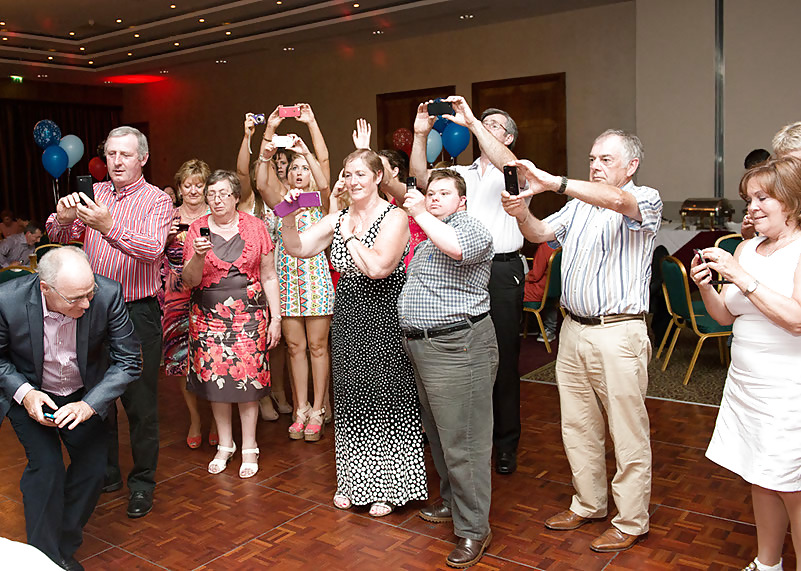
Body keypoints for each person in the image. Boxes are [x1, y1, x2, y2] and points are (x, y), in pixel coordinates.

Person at [502, 129, 661, 552]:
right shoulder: (579, 207)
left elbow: (615, 200)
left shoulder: (645, 198)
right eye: (593, 157)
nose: (595, 165)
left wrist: (552, 181)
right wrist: (521, 211)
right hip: (573, 330)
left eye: (606, 159)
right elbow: (538, 234)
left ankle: (631, 520)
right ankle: (589, 503)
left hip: (618, 331)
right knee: (577, 424)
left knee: (627, 432)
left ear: (631, 166)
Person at [280, 149, 427, 517]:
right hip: (348, 312)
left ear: (378, 177)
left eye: (361, 173)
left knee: (386, 397)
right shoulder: (338, 218)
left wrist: (347, 237)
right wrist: (286, 215)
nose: (353, 181)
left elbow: (378, 267)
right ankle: (353, 480)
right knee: (351, 396)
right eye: (348, 174)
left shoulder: (395, 216)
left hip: (384, 314)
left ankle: (391, 486)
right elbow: (297, 248)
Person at [45, 126, 172, 519]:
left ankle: (142, 484)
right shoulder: (95, 194)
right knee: (99, 400)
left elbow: (151, 250)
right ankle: (108, 474)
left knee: (140, 404)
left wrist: (108, 226)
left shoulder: (157, 201)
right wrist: (65, 219)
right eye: (111, 154)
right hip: (92, 310)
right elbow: (55, 232)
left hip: (137, 312)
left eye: (125, 155)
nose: (116, 161)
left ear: (143, 159)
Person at [690, 157, 801, 571]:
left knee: (791, 484)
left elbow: (796, 319)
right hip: (746, 385)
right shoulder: (746, 247)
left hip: (787, 390)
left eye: (762, 197)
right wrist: (706, 288)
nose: (751, 207)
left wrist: (741, 275)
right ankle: (767, 562)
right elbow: (725, 316)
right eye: (748, 198)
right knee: (759, 475)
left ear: (789, 201)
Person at [0, 246, 141, 571]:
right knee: (46, 470)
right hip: (32, 393)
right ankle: (43, 560)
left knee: (93, 471)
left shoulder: (107, 294)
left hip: (84, 393)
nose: (87, 304)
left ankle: (61, 548)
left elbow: (129, 361)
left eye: (89, 293)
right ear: (44, 288)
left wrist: (89, 405)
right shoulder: (8, 300)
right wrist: (26, 394)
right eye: (76, 298)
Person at [410, 96, 526, 475]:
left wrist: (473, 121)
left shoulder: (516, 170)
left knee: (504, 361)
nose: (482, 126)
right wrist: (419, 134)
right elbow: (420, 181)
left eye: (495, 125)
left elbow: (507, 162)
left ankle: (505, 444)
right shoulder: (461, 173)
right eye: (483, 122)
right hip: (455, 268)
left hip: (501, 272)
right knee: (462, 357)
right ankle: (457, 441)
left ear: (508, 137)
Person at [398, 169, 497, 568]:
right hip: (424, 347)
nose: (434, 197)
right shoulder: (427, 238)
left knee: (465, 442)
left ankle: (475, 530)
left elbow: (457, 249)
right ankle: (454, 503)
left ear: (463, 201)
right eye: (430, 192)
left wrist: (421, 212)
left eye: (444, 193)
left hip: (459, 346)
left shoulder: (471, 228)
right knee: (438, 435)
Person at [182, 170, 282, 479]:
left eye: (224, 193)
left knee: (248, 383)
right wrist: (198, 257)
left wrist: (275, 318)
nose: (217, 199)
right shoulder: (196, 229)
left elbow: (268, 275)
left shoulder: (255, 227)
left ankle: (249, 446)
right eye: (212, 194)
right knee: (216, 382)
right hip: (208, 316)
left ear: (236, 197)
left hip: (249, 315)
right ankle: (225, 445)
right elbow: (189, 281)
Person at [256, 129, 334, 442]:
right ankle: (300, 408)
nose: (299, 173)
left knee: (317, 347)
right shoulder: (279, 205)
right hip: (285, 282)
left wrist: (306, 152)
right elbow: (261, 183)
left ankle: (319, 409)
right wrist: (267, 142)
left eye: (304, 168)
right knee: (295, 347)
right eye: (294, 168)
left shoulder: (321, 203)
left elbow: (325, 182)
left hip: (315, 280)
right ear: (286, 174)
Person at [235, 112, 292, 421]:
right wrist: (250, 135)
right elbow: (243, 170)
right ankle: (261, 395)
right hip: (252, 276)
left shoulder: (279, 198)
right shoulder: (247, 199)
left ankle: (279, 390)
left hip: (278, 272)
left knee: (278, 341)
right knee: (258, 340)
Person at [162, 159, 218, 449]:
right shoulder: (167, 217)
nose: (194, 190)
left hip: (210, 291)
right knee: (182, 360)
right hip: (176, 294)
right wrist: (165, 237)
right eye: (188, 185)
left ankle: (217, 418)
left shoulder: (216, 216)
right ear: (180, 188)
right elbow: (151, 251)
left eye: (199, 184)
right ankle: (195, 418)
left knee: (212, 359)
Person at [524, 241, 558, 341]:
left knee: (512, 289)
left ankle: (527, 326)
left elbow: (535, 275)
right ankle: (549, 328)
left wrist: (521, 276)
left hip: (540, 289)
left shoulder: (545, 247)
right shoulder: (560, 244)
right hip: (555, 287)